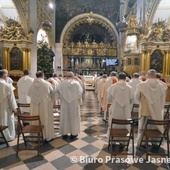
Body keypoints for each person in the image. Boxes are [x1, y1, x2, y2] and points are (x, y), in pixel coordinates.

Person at [135, 69, 167, 148]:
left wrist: (142, 102)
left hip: (145, 109)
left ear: (148, 75)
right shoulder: (162, 86)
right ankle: (155, 143)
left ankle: (142, 143)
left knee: (144, 126)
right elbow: (163, 99)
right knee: (155, 125)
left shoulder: (142, 85)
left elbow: (136, 97)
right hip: (157, 110)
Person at [107, 72, 134, 144]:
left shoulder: (113, 87)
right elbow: (131, 100)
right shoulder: (129, 88)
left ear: (118, 78)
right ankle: (123, 142)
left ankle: (112, 142)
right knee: (124, 125)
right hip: (126, 110)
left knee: (114, 124)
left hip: (115, 109)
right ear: (125, 79)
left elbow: (109, 99)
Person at [28, 71, 54, 142]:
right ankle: (46, 136)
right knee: (45, 118)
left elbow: (29, 93)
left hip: (34, 104)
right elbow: (52, 94)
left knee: (35, 118)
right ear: (43, 75)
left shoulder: (32, 84)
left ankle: (36, 136)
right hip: (45, 104)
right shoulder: (47, 84)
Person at [55, 71, 83, 139]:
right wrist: (78, 101)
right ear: (73, 76)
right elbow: (80, 93)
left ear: (66, 77)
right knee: (74, 118)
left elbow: (56, 92)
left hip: (64, 104)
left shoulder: (62, 84)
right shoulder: (77, 84)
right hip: (74, 104)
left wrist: (60, 99)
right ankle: (74, 133)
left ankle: (64, 133)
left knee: (65, 117)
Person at [0, 70, 17, 141]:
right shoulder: (7, 86)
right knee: (7, 121)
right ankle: (8, 137)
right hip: (5, 108)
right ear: (5, 76)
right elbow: (11, 99)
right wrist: (14, 108)